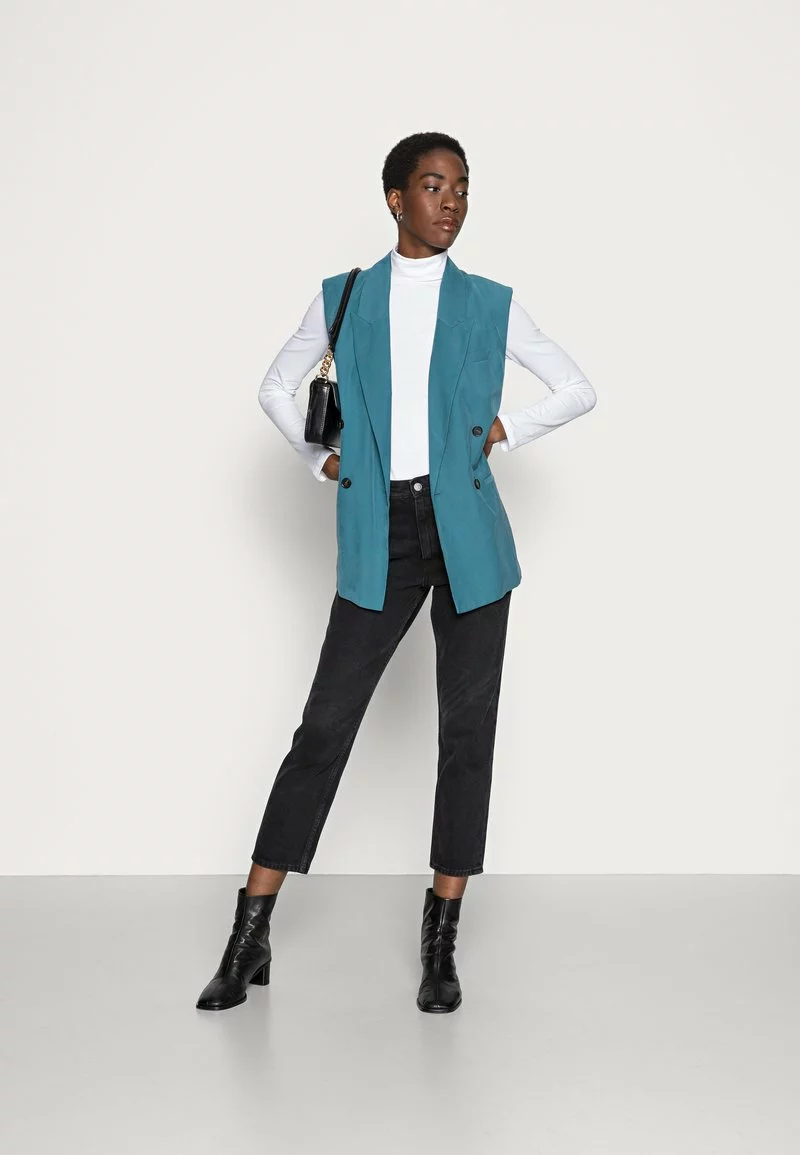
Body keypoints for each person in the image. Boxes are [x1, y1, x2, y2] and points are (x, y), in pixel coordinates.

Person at [196, 131, 597, 1014]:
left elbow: (578, 387)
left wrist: (502, 432)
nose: (451, 202)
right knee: (323, 729)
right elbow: (274, 387)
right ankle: (250, 934)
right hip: (382, 532)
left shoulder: (489, 302)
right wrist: (321, 461)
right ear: (395, 198)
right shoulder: (346, 296)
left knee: (466, 735)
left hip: (471, 540)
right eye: (433, 185)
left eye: (462, 187)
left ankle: (441, 940)